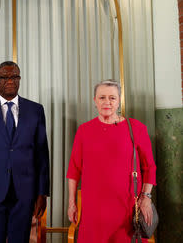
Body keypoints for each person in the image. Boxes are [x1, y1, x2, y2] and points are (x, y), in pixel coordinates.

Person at [0, 61, 50, 243]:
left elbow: (42, 155)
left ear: (19, 79)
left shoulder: (36, 110)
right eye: (5, 77)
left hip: (25, 191)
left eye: (14, 76)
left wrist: (42, 192)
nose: (10, 81)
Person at [67, 79, 156, 242]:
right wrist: (72, 203)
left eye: (112, 98)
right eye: (102, 98)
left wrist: (146, 198)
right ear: (95, 100)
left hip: (127, 208)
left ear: (119, 101)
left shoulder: (136, 128)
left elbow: (149, 167)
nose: (107, 102)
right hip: (93, 211)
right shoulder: (84, 130)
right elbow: (74, 169)